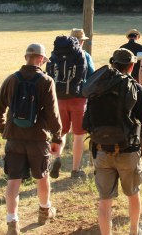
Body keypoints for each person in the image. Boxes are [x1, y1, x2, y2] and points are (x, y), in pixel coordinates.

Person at [0, 43, 63, 234]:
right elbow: (53, 114)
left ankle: (12, 222)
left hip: (14, 139)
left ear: (26, 57)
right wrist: (57, 136)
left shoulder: (11, 80)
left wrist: (5, 130)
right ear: (41, 59)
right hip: (38, 139)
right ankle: (44, 211)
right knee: (42, 177)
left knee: (13, 181)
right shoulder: (46, 81)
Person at [89, 49, 142, 235]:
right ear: (132, 66)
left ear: (112, 64)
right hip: (128, 151)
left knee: (104, 200)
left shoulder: (97, 88)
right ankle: (134, 230)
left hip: (101, 150)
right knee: (133, 194)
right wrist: (136, 147)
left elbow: (88, 121)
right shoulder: (137, 89)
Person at [50, 29, 95, 179]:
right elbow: (91, 76)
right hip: (79, 99)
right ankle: (76, 169)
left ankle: (56, 158)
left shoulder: (56, 54)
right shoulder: (84, 55)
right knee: (78, 135)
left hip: (59, 98)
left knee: (61, 132)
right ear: (81, 41)